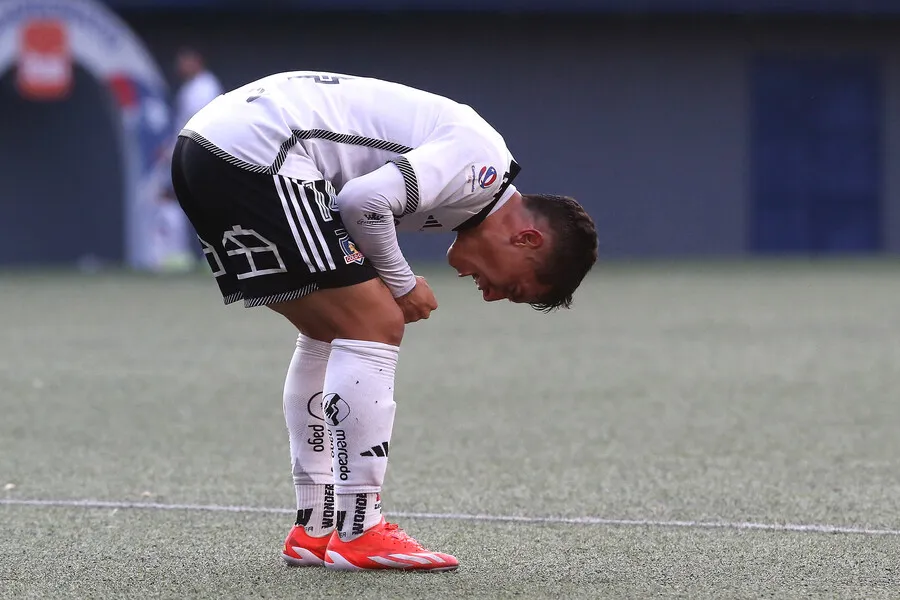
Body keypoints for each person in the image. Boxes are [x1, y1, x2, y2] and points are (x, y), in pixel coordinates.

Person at [170, 71, 598, 572]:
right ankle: (360, 531)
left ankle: (316, 527)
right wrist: (401, 283)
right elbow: (361, 203)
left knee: (330, 329)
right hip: (258, 150)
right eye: (516, 288)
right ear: (527, 240)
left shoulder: (463, 193)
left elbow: (353, 204)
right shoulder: (481, 163)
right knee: (377, 321)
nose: (494, 296)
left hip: (207, 147)